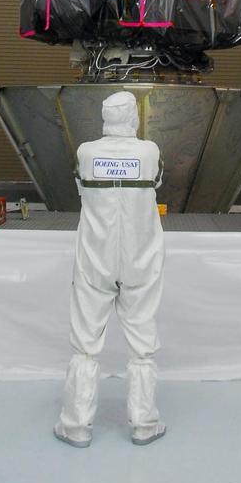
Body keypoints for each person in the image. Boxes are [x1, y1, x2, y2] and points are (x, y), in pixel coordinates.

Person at [54, 90, 165, 449]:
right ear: (133, 117)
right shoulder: (149, 152)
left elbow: (80, 189)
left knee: (85, 343)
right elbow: (158, 184)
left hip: (94, 259)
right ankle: (145, 424)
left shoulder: (86, 152)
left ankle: (76, 427)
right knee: (142, 344)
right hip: (141, 260)